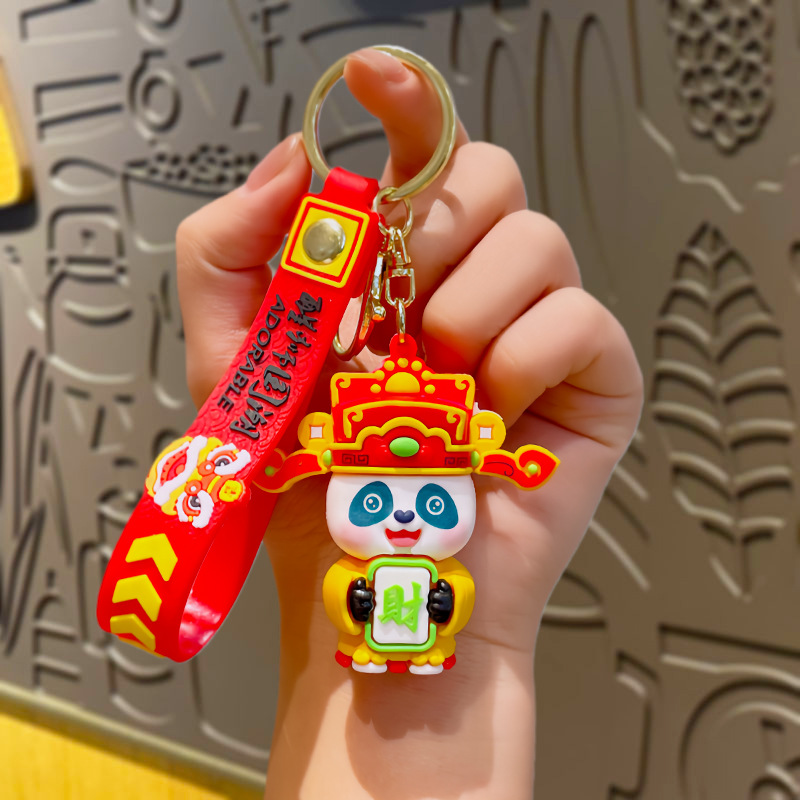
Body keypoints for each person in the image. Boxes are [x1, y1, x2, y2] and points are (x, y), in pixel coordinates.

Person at [176, 48, 643, 800]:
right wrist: (344, 607)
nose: (401, 518)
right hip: (365, 630)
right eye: (374, 499)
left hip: (427, 636)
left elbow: (454, 595)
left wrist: (466, 628)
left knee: (432, 614)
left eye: (429, 501)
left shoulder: (442, 561)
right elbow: (340, 581)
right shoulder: (349, 551)